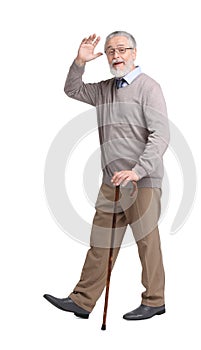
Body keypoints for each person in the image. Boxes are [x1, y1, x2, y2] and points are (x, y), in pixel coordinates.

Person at [44, 31, 170, 321]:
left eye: (122, 49)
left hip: (142, 181)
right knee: (100, 242)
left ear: (134, 53)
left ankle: (154, 300)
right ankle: (82, 300)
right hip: (111, 183)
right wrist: (79, 61)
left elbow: (161, 135)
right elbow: (72, 90)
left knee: (146, 242)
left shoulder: (149, 88)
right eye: (111, 50)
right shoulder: (104, 90)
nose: (116, 55)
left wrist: (137, 171)